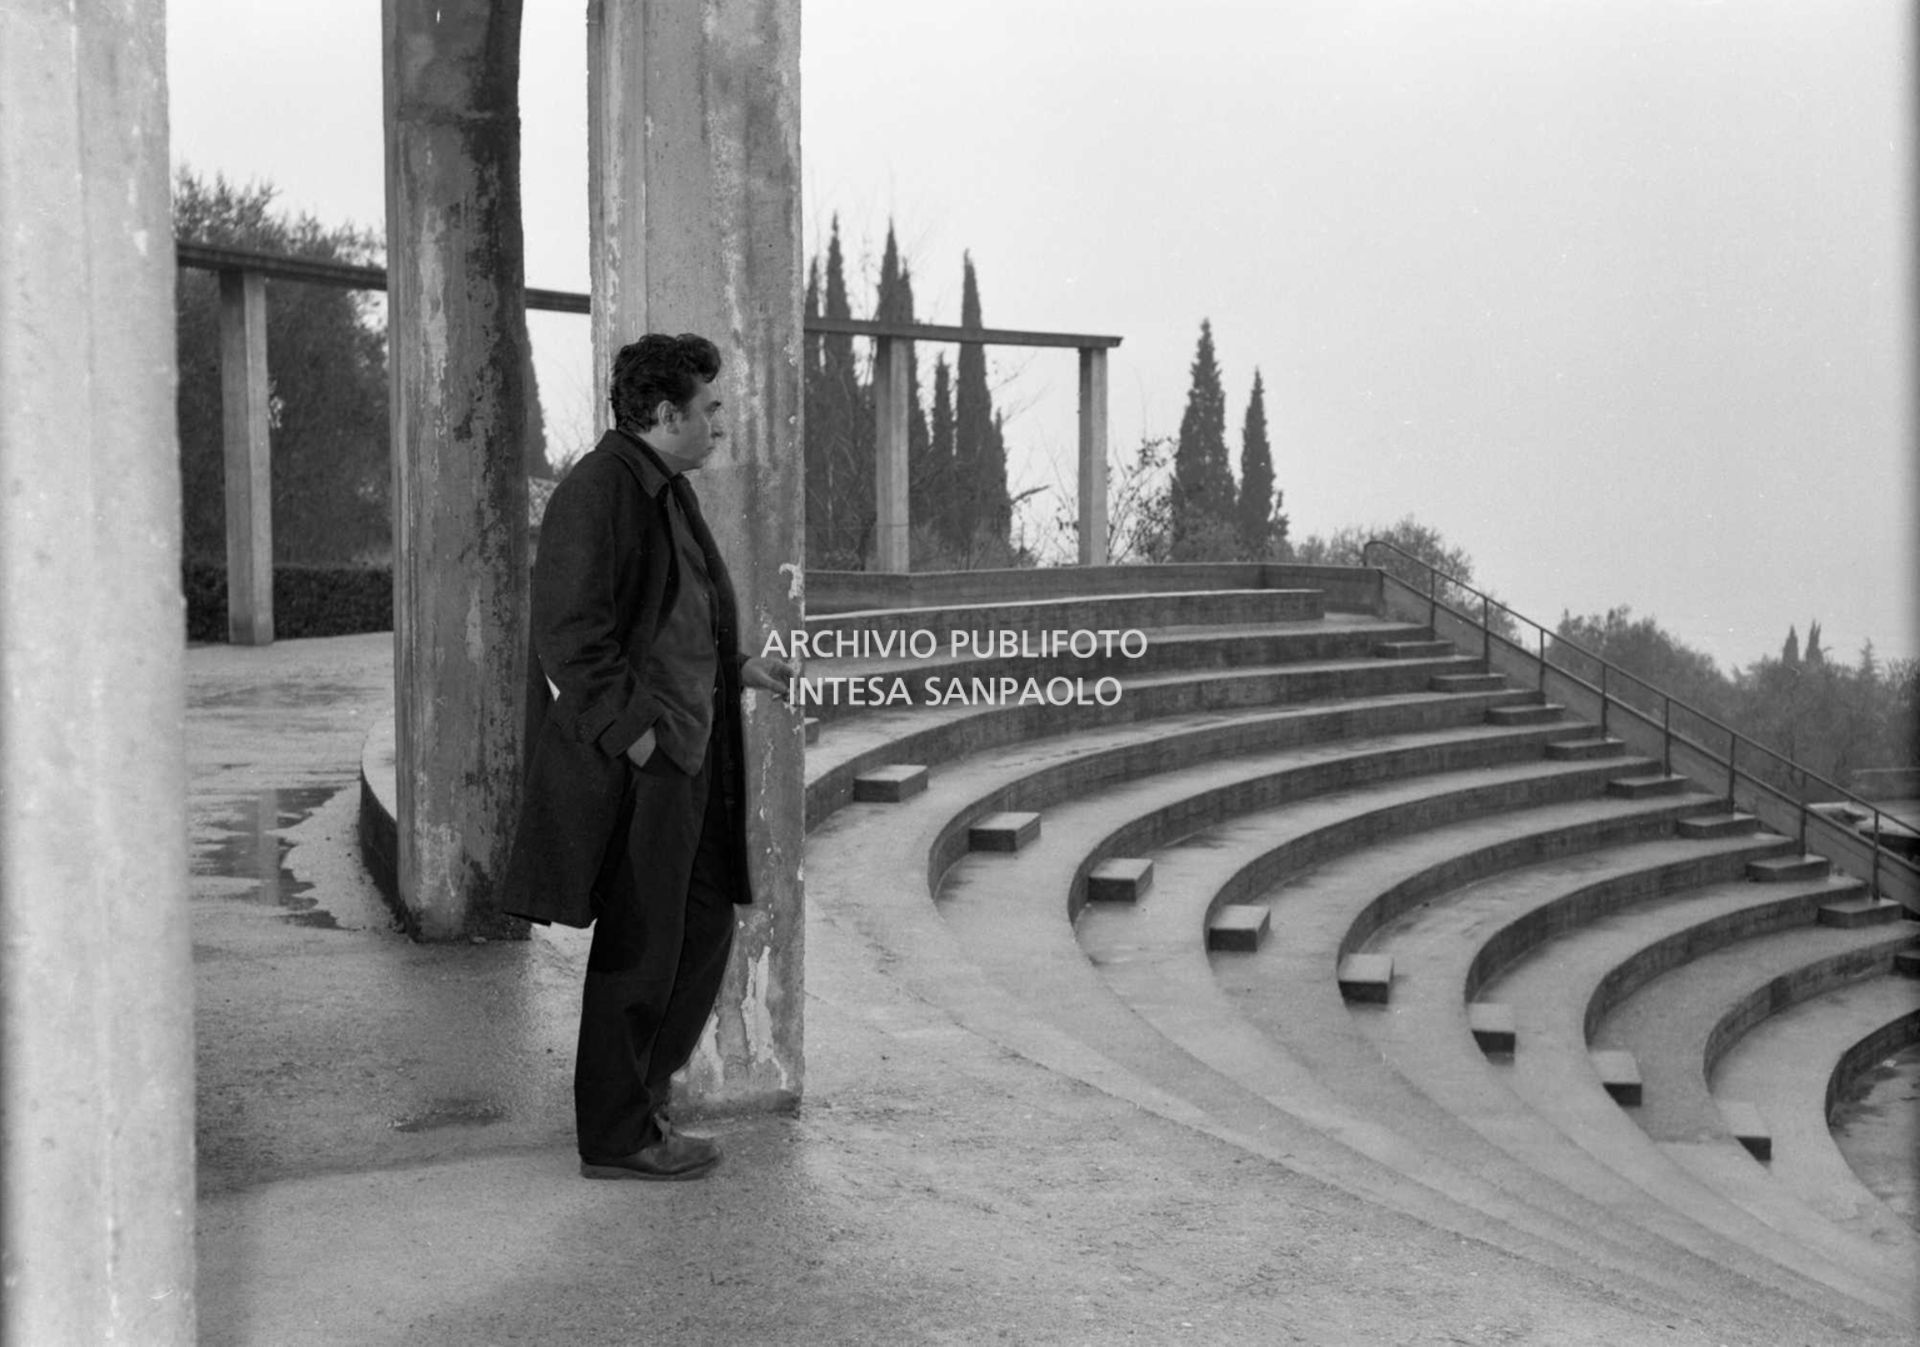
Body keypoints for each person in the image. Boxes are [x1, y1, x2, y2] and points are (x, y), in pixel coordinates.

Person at [502, 332, 793, 1181]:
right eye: (709, 410)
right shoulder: (598, 491)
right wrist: (640, 741)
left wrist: (740, 668)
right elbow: (570, 637)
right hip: (648, 757)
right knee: (640, 945)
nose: (720, 425)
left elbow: (673, 620)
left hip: (691, 750)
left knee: (699, 929)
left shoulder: (663, 488)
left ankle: (642, 1100)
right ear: (665, 415)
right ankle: (617, 1134)